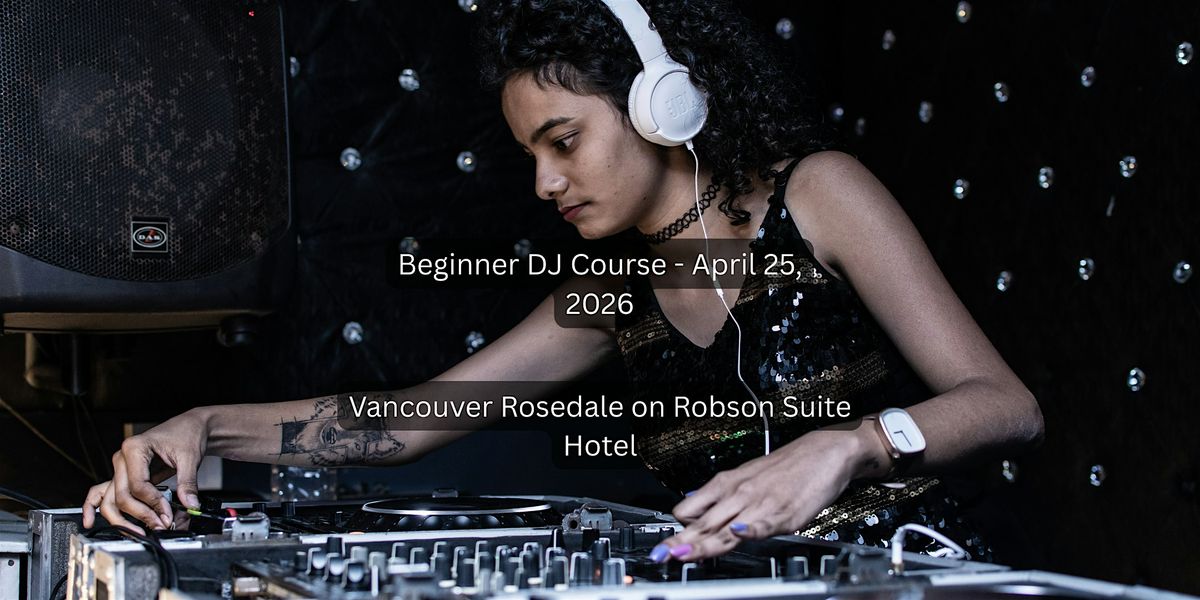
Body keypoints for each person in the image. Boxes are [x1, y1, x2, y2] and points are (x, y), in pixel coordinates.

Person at [83, 0, 1044, 565]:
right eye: (531, 156)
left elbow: (1007, 406)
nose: (545, 183)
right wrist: (206, 424)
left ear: (662, 104)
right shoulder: (610, 291)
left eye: (565, 141)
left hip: (930, 568)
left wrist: (850, 445)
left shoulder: (820, 193)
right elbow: (405, 422)